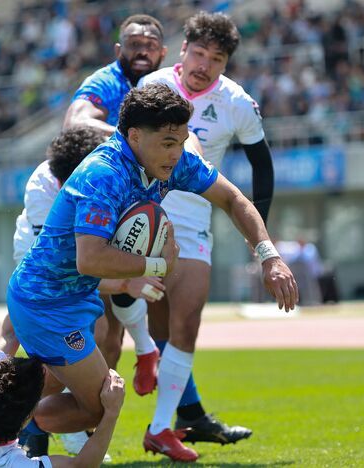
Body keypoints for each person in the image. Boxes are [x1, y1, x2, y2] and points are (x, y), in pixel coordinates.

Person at [8, 84, 297, 463]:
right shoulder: (105, 174)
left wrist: (269, 255)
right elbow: (89, 259)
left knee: (44, 387)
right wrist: (160, 264)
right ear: (134, 136)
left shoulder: (170, 163)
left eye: (182, 142)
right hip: (46, 301)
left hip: (74, 297)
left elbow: (232, 198)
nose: (177, 153)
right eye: (168, 143)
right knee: (100, 404)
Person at [136, 12, 278, 459]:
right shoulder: (152, 85)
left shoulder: (237, 102)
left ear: (226, 63)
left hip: (195, 219)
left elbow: (262, 165)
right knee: (156, 325)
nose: (205, 65)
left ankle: (162, 427)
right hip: (145, 216)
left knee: (188, 321)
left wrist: (259, 233)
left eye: (216, 59)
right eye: (199, 53)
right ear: (183, 50)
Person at [8, 126, 165, 459]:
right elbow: (68, 266)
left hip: (81, 268)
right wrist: (129, 280)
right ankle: (24, 424)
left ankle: (20, 421)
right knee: (89, 340)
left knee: (105, 342)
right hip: (41, 272)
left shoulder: (105, 176)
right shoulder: (42, 190)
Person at [62, 13, 168, 396]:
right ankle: (73, 413)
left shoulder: (165, 86)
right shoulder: (106, 81)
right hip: (98, 207)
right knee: (94, 326)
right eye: (134, 45)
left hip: (139, 208)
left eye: (149, 46)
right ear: (119, 49)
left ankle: (98, 414)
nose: (142, 52)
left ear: (162, 52)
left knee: (114, 333)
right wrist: (134, 140)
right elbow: (76, 122)